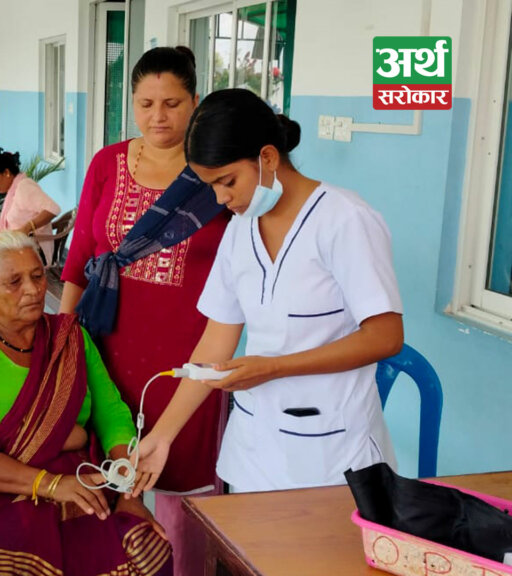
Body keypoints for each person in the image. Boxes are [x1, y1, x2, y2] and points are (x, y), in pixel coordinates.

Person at [133, 88, 404, 496]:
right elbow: (215, 344)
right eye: (211, 187)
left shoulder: (345, 220)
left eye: (227, 181)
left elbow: (385, 337)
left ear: (268, 158)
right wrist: (163, 436)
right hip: (254, 452)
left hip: (332, 456)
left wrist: (275, 367)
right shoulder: (241, 229)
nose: (222, 199)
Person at [59, 46, 230, 576]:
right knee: (107, 476)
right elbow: (79, 259)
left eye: (173, 103)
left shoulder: (216, 174)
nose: (159, 116)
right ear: (131, 103)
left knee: (184, 488)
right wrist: (64, 342)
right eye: (147, 103)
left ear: (194, 102)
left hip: (190, 359)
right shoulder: (107, 164)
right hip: (107, 349)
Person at [0, 231, 172, 576]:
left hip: (81, 479)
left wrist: (129, 491)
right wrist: (51, 486)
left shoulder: (70, 337)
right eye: (14, 282)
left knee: (145, 550)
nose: (33, 289)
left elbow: (112, 414)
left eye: (38, 275)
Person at [0, 151, 61, 263]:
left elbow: (53, 209)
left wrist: (26, 228)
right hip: (18, 248)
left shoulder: (24, 187)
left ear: (6, 172)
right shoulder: (13, 191)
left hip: (32, 253)